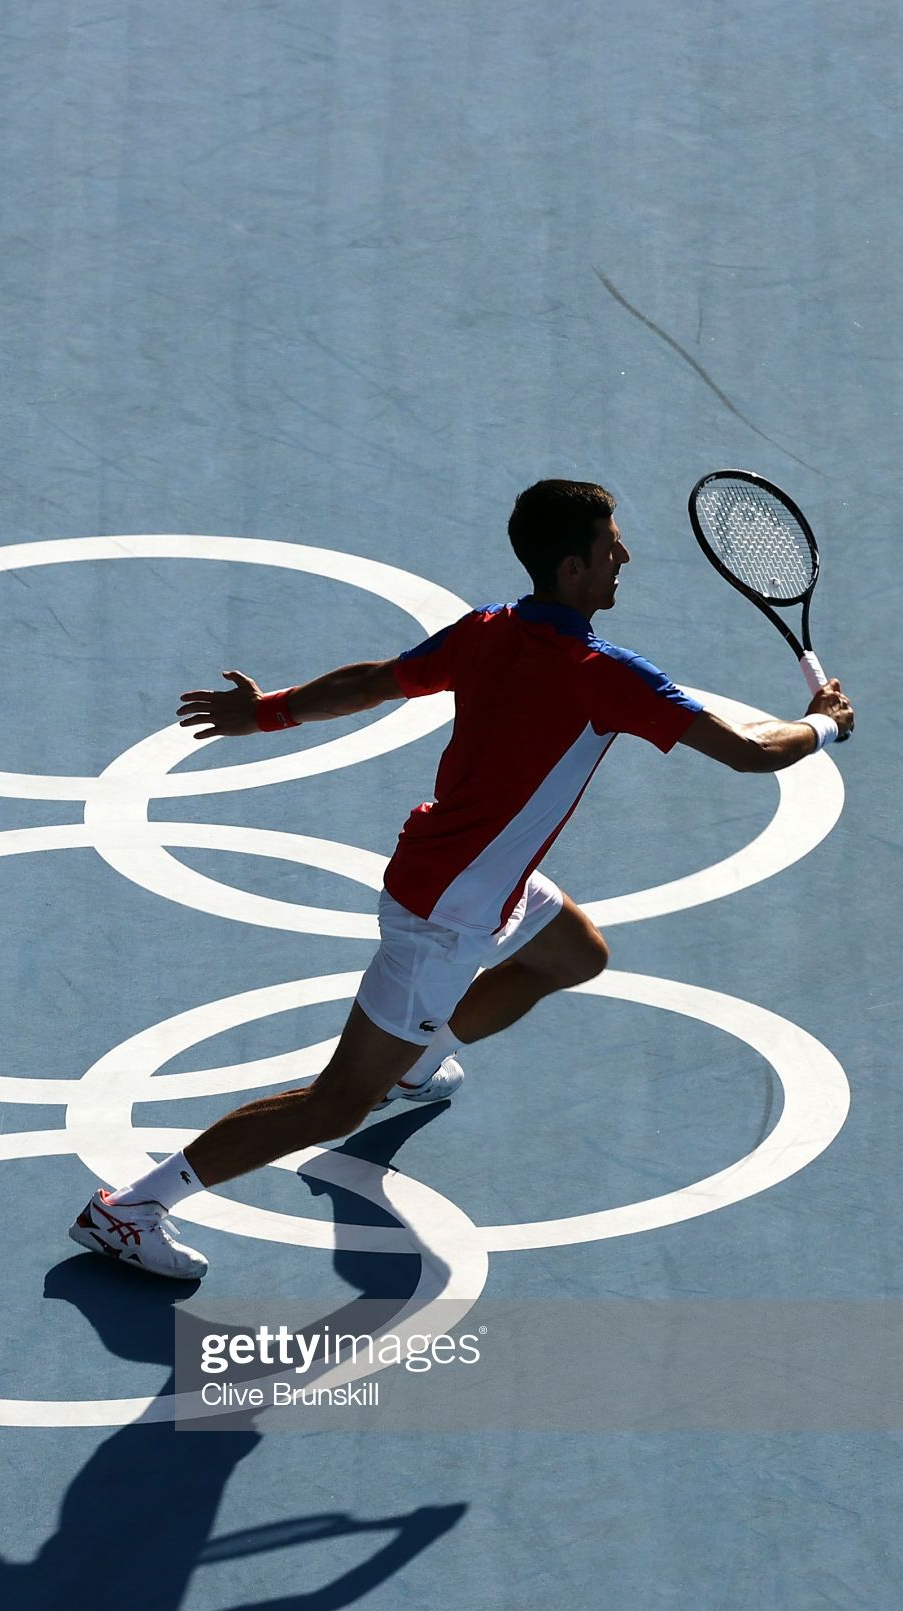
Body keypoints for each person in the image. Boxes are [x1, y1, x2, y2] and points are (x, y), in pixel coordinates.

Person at [69, 478, 854, 1280]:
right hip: (449, 914)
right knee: (336, 1104)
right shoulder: (607, 676)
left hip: (474, 879)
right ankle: (131, 1207)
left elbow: (372, 680)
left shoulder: (488, 630)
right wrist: (825, 721)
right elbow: (752, 751)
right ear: (573, 567)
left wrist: (264, 712)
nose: (625, 555)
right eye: (610, 544)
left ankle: (416, 1060)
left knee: (575, 954)